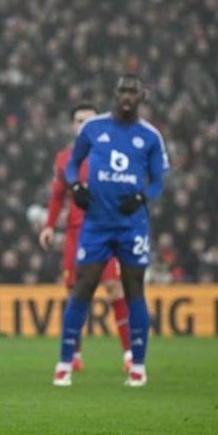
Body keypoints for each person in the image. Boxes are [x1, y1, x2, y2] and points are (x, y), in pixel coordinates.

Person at [53, 74, 170, 388]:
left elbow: (159, 181)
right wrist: (76, 186)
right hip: (97, 225)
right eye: (122, 91)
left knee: (134, 291)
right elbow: (71, 163)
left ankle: (138, 366)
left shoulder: (150, 136)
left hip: (132, 226)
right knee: (82, 288)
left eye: (133, 91)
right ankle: (65, 363)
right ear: (115, 94)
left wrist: (143, 196)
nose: (127, 96)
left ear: (141, 96)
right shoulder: (94, 128)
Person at [39, 104, 132, 372]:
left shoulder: (114, 154)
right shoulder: (64, 158)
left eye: (89, 121)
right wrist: (48, 226)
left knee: (115, 287)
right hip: (75, 233)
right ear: (73, 125)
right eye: (79, 121)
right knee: (74, 294)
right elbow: (57, 195)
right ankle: (75, 355)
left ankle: (129, 356)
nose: (84, 126)